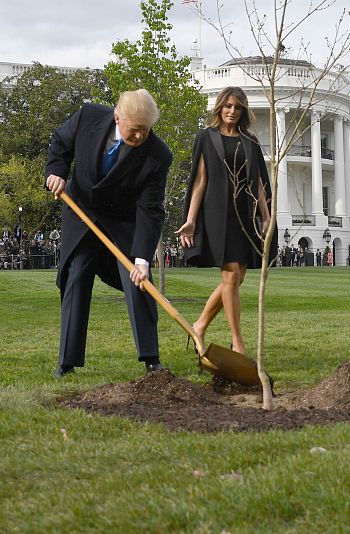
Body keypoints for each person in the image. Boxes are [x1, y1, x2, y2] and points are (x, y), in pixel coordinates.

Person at [45, 89, 172, 378]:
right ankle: (67, 361)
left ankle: (151, 359)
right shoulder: (88, 116)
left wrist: (142, 258)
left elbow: (150, 208)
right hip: (81, 211)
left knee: (138, 282)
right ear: (118, 117)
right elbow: (60, 143)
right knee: (76, 275)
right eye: (134, 130)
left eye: (146, 131)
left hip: (122, 220)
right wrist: (56, 172)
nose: (140, 137)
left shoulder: (158, 155)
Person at [176, 86, 271, 356]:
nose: (232, 111)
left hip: (244, 213)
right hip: (217, 214)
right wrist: (191, 219)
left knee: (237, 277)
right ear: (220, 107)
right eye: (228, 106)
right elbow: (199, 181)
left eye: (237, 107)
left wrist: (266, 217)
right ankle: (238, 343)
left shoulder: (249, 141)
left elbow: (260, 183)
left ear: (243, 111)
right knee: (230, 275)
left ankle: (200, 324)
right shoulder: (207, 137)